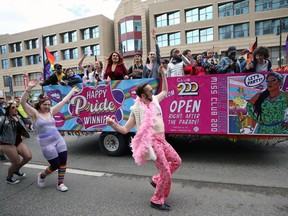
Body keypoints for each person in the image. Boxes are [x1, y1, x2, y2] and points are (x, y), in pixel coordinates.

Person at [106, 66, 182, 211]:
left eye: (151, 89)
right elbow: (125, 129)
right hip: (152, 142)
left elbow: (165, 91)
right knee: (165, 171)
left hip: (163, 139)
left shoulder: (155, 101)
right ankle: (156, 200)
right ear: (142, 96)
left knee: (177, 161)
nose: (152, 91)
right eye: (148, 91)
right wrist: (113, 124)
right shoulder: (136, 111)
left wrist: (163, 74)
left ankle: (156, 179)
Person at [20, 79, 80, 192]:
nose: (47, 106)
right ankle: (42, 175)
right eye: (44, 105)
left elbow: (63, 102)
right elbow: (23, 103)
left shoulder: (51, 111)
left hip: (58, 139)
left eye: (48, 104)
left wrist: (72, 91)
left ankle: (60, 183)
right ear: (40, 104)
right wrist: (29, 88)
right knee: (55, 164)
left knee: (63, 162)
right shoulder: (34, 114)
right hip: (46, 143)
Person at [0, 101, 32, 184]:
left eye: (16, 106)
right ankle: (9, 178)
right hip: (7, 142)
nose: (16, 108)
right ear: (8, 109)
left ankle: (16, 170)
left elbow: (25, 123)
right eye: (13, 107)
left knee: (28, 157)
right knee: (16, 162)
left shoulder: (18, 116)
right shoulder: (3, 118)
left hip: (18, 140)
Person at [0, 94, 7, 160]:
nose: (2, 99)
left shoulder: (3, 107)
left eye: (2, 98)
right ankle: (1, 155)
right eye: (1, 98)